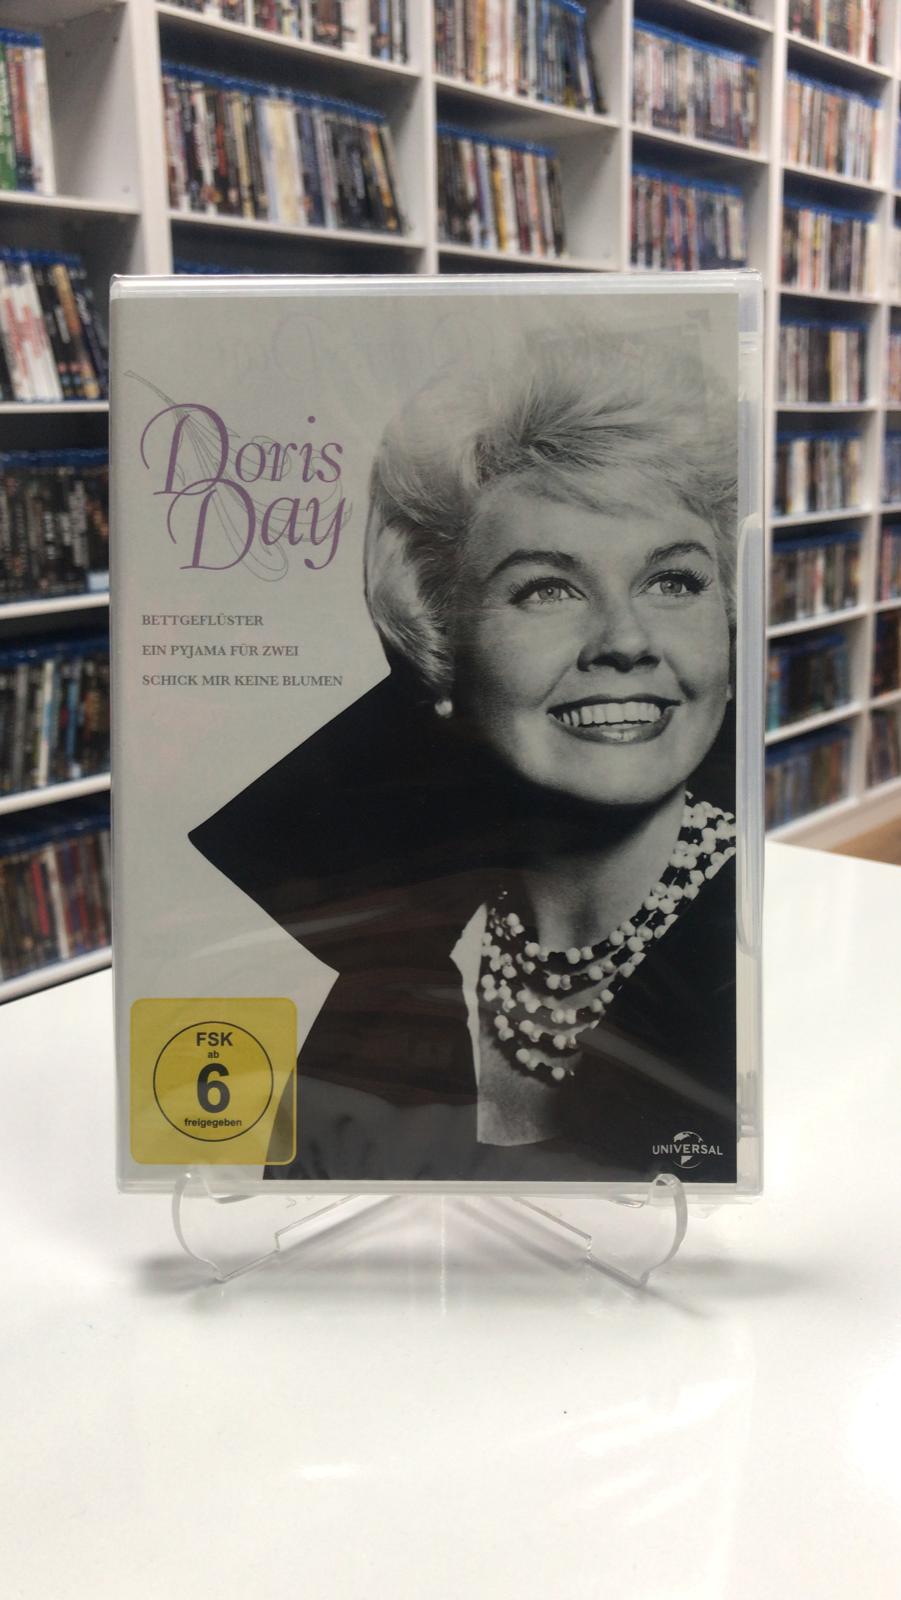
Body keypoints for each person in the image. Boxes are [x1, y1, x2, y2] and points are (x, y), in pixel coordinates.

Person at [190, 324, 739, 1184]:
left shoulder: (749, 953)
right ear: (442, 649)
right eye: (546, 588)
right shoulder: (394, 940)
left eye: (673, 580)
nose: (626, 640)